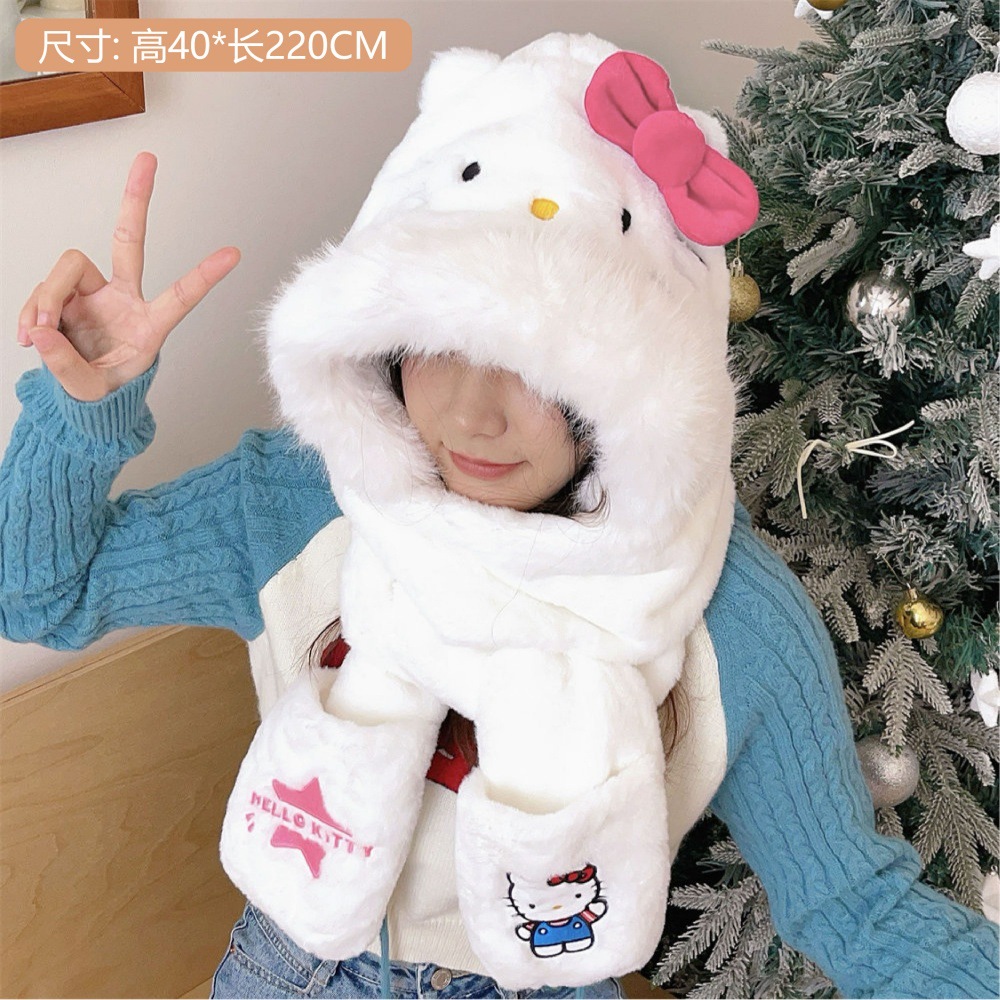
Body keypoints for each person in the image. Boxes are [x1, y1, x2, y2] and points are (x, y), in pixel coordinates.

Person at [3, 31, 998, 1000]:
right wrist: (80, 415)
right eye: (441, 342)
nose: (473, 417)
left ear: (636, 394)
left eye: (538, 367)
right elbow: (41, 596)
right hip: (292, 965)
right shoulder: (294, 502)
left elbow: (855, 906)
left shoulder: (727, 613)